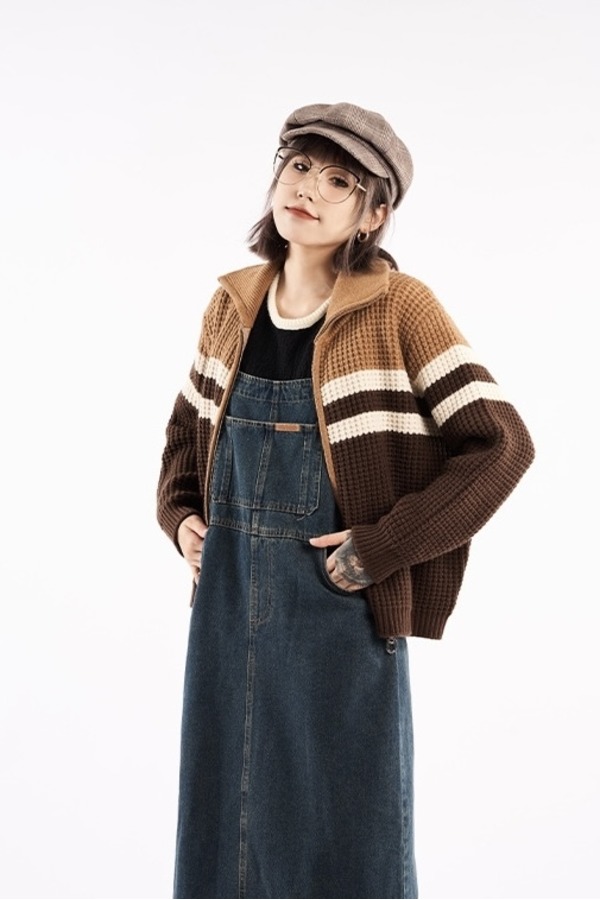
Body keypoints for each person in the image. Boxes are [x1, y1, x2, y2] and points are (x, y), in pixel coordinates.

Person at [156, 101, 535, 900]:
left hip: (342, 612)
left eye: (340, 182)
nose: (308, 189)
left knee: (349, 832)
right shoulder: (232, 303)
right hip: (224, 603)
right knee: (224, 822)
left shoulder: (398, 307)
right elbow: (187, 433)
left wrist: (382, 548)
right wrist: (181, 517)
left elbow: (501, 444)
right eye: (299, 166)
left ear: (374, 214)